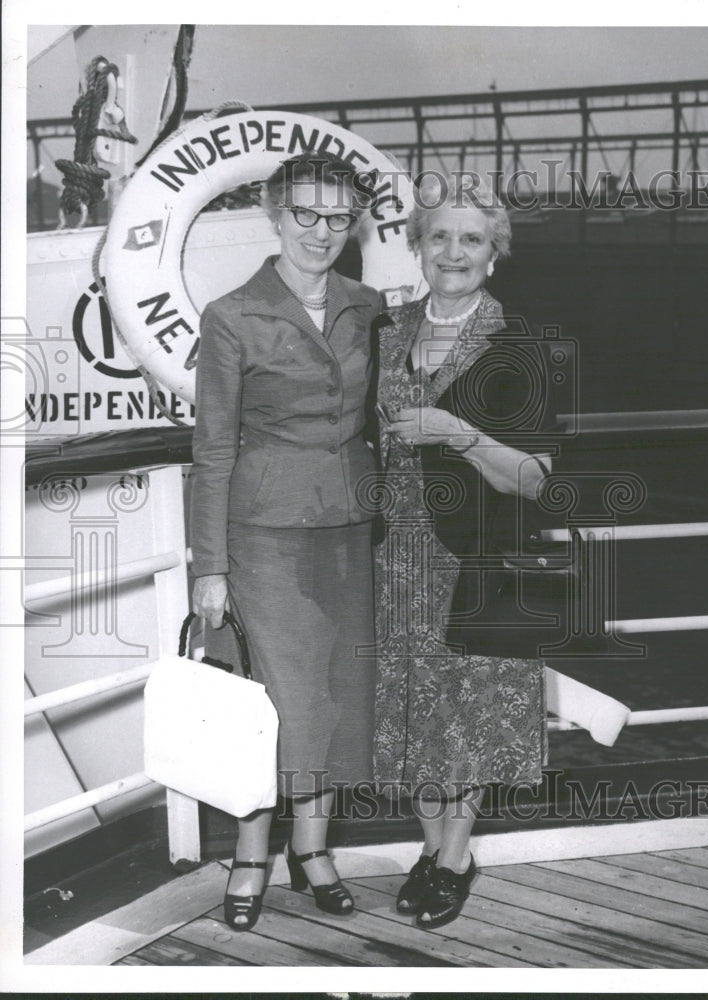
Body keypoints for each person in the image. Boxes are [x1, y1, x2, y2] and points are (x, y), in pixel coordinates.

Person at [190, 151, 382, 931]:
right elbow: (212, 449)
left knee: (338, 692)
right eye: (306, 214)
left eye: (339, 218)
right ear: (273, 215)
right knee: (275, 703)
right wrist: (211, 566)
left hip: (351, 530)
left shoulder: (367, 305)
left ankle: (314, 849)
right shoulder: (232, 315)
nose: (323, 231)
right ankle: (249, 854)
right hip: (265, 536)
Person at [373, 173, 550, 929]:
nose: (453, 251)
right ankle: (428, 844)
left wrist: (453, 432)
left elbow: (535, 478)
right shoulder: (384, 332)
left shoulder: (522, 346)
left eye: (470, 238)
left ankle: (454, 856)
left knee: (468, 712)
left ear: (493, 254)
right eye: (438, 235)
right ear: (416, 245)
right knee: (414, 708)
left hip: (476, 556)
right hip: (394, 556)